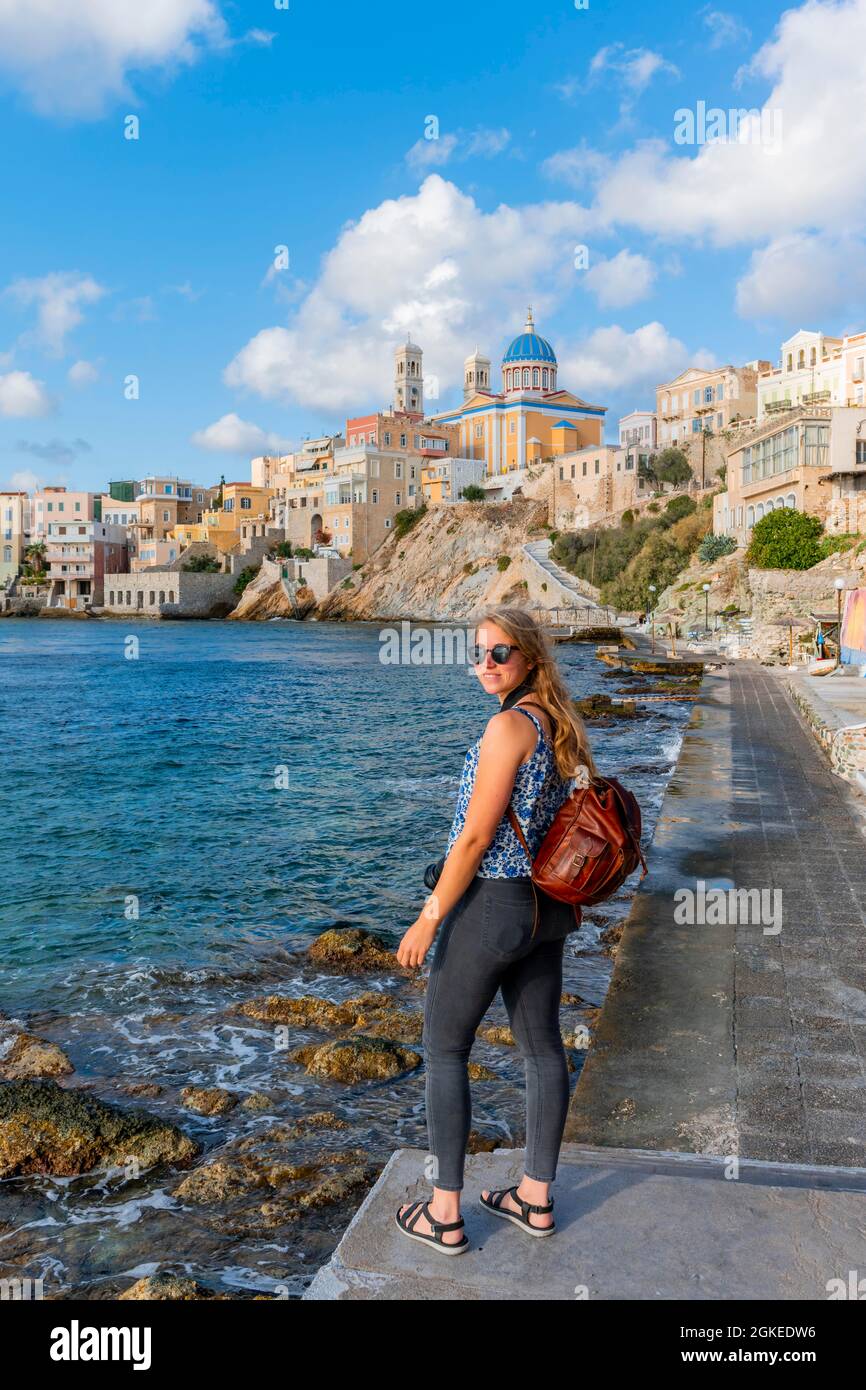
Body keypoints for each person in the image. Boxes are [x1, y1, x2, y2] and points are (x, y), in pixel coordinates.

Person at [395, 604, 597, 1253]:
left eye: (499, 652)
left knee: (446, 1048)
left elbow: (478, 835)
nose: (485, 664)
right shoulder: (557, 723)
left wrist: (429, 917)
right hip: (544, 911)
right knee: (541, 1050)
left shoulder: (509, 727)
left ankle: (444, 1214)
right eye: (478, 652)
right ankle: (535, 1199)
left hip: (493, 906)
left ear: (530, 656)